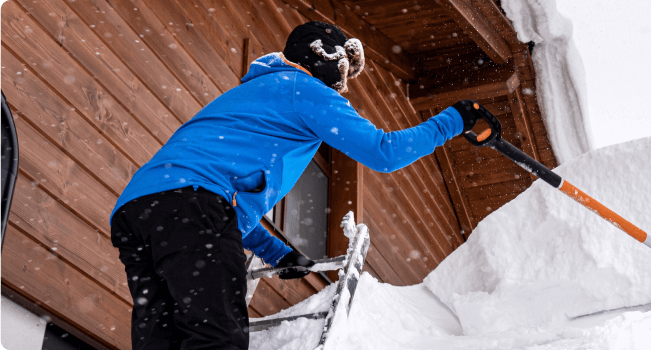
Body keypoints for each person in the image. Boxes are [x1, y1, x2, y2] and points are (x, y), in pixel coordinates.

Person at [109, 21, 491, 350]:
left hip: (137, 212)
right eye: (342, 66)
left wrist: (276, 251)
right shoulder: (304, 90)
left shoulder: (254, 92)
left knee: (163, 338)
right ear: (321, 56)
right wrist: (454, 120)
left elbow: (217, 205)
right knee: (217, 336)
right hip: (192, 206)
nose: (343, 82)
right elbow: (383, 152)